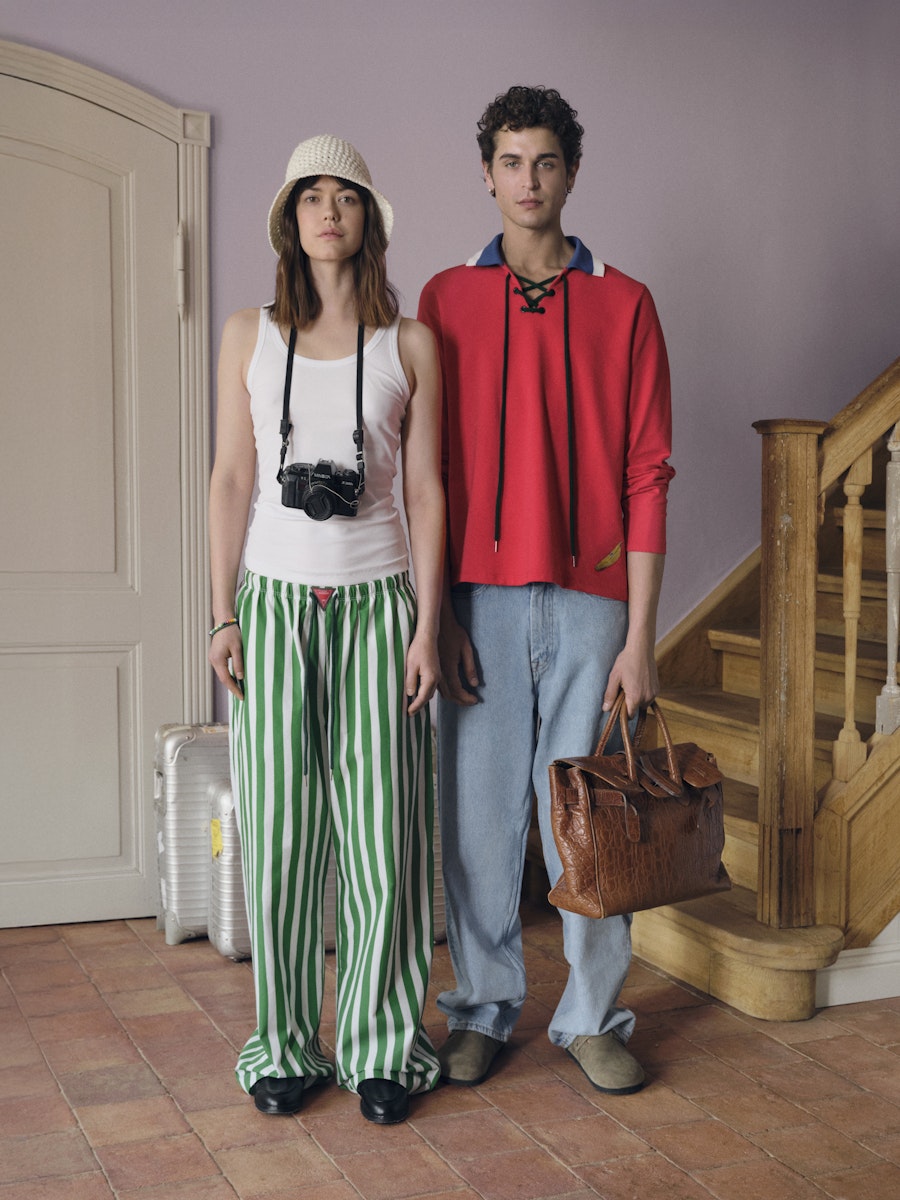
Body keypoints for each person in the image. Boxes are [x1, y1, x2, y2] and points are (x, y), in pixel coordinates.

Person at [417, 87, 674, 1094]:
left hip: (592, 605)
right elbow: (422, 469)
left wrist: (643, 635)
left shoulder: (627, 302)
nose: (528, 181)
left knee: (590, 825)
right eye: (511, 163)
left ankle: (594, 1016)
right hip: (476, 601)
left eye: (546, 163)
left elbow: (648, 470)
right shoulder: (442, 300)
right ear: (487, 173)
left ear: (572, 173)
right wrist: (435, 613)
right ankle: (480, 1009)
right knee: (478, 826)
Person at [209, 135, 444, 1125]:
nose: (329, 210)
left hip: (381, 604)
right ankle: (283, 1045)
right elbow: (230, 479)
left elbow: (429, 491)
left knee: (382, 840)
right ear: (289, 219)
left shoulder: (412, 343)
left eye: (346, 195)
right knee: (277, 836)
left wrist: (430, 626)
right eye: (311, 195)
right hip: (269, 607)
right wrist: (219, 610)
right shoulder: (246, 333)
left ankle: (385, 1046)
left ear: (369, 219)